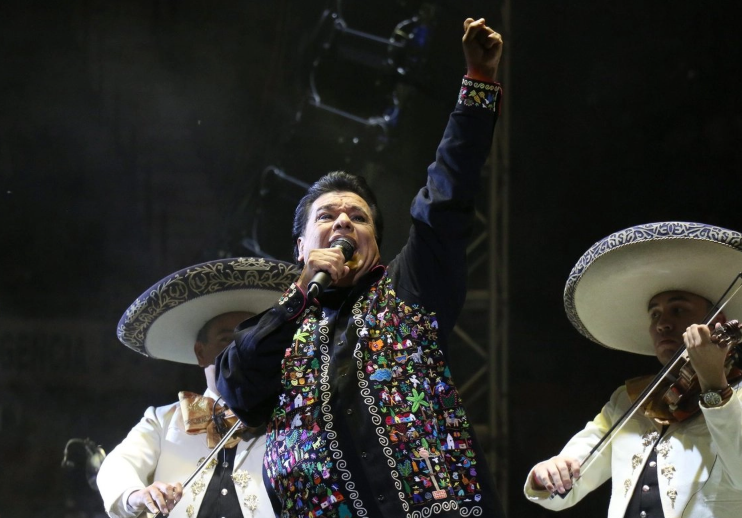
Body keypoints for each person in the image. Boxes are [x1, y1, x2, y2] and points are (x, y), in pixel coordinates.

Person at [215, 17, 505, 518]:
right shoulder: (282, 327)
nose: (344, 221)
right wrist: (299, 295)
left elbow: (447, 196)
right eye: (326, 216)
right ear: (301, 247)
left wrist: (477, 85)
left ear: (376, 241)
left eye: (359, 216)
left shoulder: (409, 288)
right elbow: (235, 384)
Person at [523, 221, 742, 518]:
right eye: (655, 314)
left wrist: (714, 385)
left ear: (717, 322)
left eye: (678, 309)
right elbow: (563, 492)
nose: (663, 323)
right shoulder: (630, 399)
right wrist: (549, 472)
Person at [97, 257, 300, 518]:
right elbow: (118, 464)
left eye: (249, 340)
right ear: (200, 353)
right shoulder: (162, 420)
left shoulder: (290, 420)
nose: (237, 351)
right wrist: (135, 495)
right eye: (226, 340)